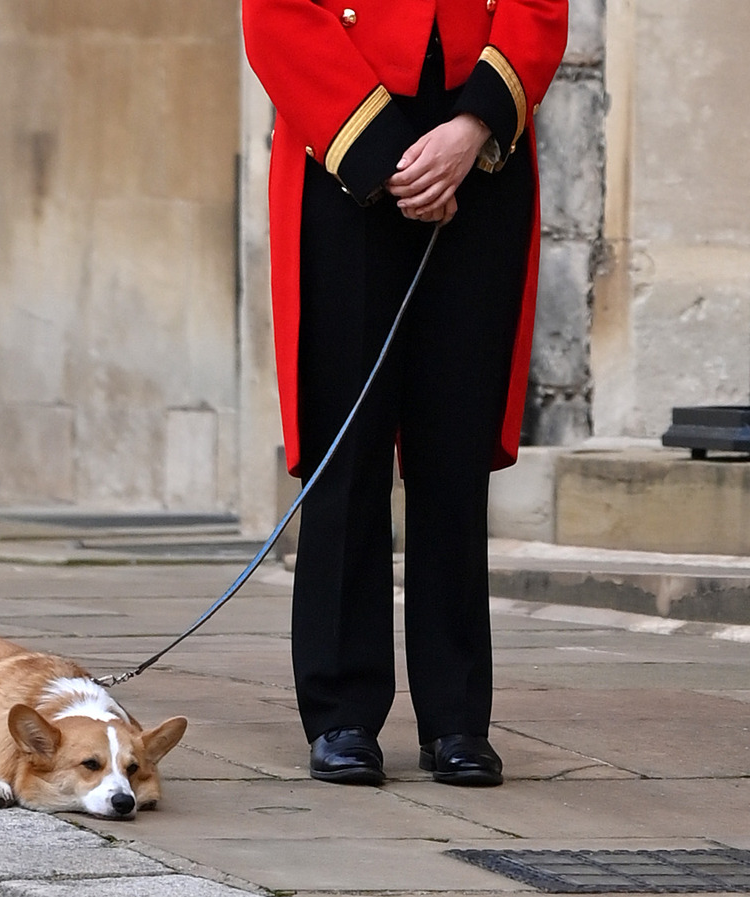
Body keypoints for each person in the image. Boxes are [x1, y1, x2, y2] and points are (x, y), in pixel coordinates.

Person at [241, 1, 567, 787]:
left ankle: (456, 716)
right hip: (344, 149)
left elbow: (536, 9)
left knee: (452, 453)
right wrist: (389, 157)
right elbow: (276, 16)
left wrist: (472, 129)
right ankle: (343, 710)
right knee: (346, 453)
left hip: (477, 149)